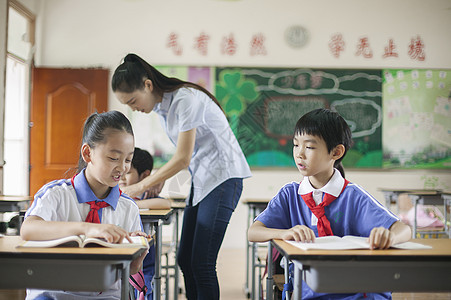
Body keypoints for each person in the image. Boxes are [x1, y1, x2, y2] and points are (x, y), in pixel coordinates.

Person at [112, 53, 251, 299]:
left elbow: (183, 158)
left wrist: (141, 186)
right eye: (128, 105)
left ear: (148, 85)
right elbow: (186, 153)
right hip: (204, 181)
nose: (133, 108)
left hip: (223, 178)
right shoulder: (164, 109)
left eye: (133, 101)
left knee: (202, 263)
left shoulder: (185, 99)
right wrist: (162, 177)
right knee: (185, 259)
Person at [248, 108, 411, 299]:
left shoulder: (352, 196)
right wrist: (284, 233)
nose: (299, 154)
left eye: (309, 147)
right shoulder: (290, 195)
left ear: (336, 152)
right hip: (310, 291)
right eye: (295, 145)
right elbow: (253, 232)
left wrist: (388, 237)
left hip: (356, 291)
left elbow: (404, 230)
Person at [21, 110, 149, 300]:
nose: (122, 168)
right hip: (53, 294)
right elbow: (28, 229)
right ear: (88, 153)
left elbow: (129, 272)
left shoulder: (128, 208)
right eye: (114, 158)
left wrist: (136, 260)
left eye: (128, 160)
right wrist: (87, 229)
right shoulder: (57, 194)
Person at [119, 146, 171, 300]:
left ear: (145, 176)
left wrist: (131, 203)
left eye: (127, 172)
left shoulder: (146, 196)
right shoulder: (112, 194)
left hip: (144, 262)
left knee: (144, 288)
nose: (122, 176)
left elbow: (165, 204)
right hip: (118, 257)